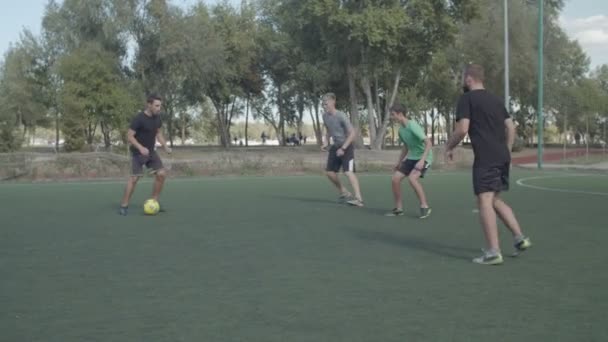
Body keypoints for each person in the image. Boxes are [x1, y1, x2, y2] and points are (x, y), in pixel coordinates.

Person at [445, 64, 532, 265]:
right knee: (493, 199)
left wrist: (448, 147)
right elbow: (510, 127)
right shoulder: (495, 100)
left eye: (462, 78)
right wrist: (507, 150)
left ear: (468, 79)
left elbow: (462, 129)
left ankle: (493, 252)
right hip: (501, 156)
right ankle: (520, 238)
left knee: (483, 201)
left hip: (486, 157)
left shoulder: (466, 99)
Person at [119, 94, 172, 216]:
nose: (159, 108)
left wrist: (165, 146)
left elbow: (158, 134)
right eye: (156, 105)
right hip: (138, 153)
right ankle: (124, 205)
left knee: (162, 174)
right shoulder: (139, 119)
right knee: (134, 178)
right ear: (149, 105)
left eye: (160, 106)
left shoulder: (157, 118)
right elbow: (129, 136)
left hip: (151, 152)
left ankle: (154, 202)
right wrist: (140, 147)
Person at [386, 104, 432, 218]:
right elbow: (406, 147)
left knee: (412, 179)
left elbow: (428, 143)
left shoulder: (413, 126)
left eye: (393, 115)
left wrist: (422, 161)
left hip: (424, 157)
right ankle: (399, 208)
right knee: (395, 179)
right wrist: (399, 162)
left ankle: (425, 206)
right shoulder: (401, 130)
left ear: (400, 114)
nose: (391, 117)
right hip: (412, 157)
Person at [321, 93, 364, 206]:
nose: (324, 105)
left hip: (347, 146)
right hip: (335, 147)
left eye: (326, 103)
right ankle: (344, 191)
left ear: (333, 102)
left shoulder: (341, 116)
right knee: (329, 172)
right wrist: (326, 141)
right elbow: (328, 130)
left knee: (348, 172)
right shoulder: (325, 116)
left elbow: (352, 133)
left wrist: (343, 148)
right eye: (323, 103)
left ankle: (359, 199)